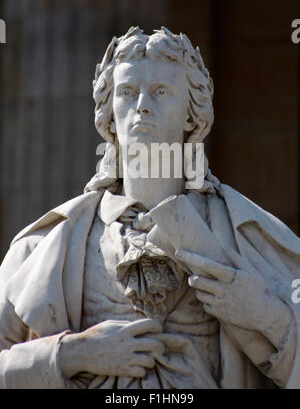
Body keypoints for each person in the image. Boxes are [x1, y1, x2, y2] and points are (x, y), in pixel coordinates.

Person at [1, 26, 300, 389]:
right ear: (108, 114)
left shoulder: (252, 237)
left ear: (193, 115)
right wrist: (71, 354)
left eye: (161, 91)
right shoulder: (46, 244)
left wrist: (268, 316)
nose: (142, 104)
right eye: (127, 92)